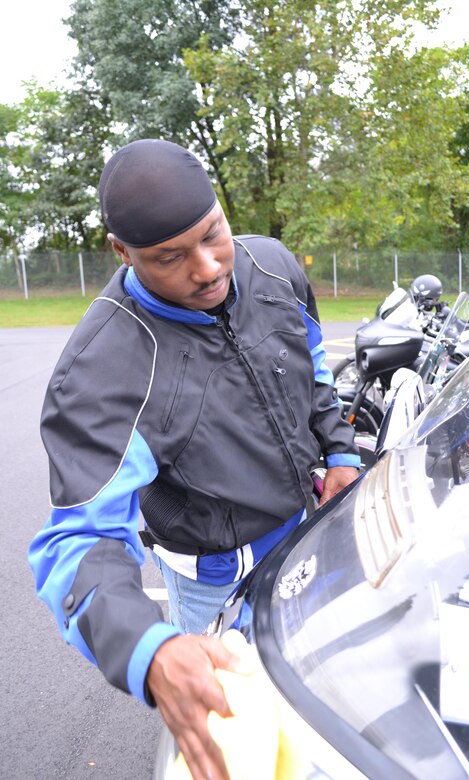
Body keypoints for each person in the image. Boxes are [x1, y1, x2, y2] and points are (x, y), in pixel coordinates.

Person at [28, 138, 360, 780]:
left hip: (308, 538)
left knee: (330, 713)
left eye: (214, 234)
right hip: (213, 578)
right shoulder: (100, 373)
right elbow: (76, 542)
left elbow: (312, 366)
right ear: (123, 253)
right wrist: (150, 651)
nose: (207, 268)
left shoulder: (271, 267)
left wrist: (340, 448)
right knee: (246, 751)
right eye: (169, 258)